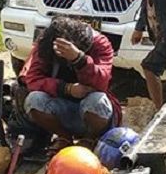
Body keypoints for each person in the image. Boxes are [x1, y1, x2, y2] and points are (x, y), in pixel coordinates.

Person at [19, 16, 121, 152]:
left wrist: (80, 60)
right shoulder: (46, 43)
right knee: (34, 100)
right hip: (62, 106)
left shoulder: (99, 43)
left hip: (93, 110)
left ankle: (90, 139)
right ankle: (64, 138)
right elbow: (33, 80)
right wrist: (67, 89)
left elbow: (102, 81)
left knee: (97, 101)